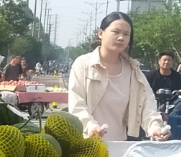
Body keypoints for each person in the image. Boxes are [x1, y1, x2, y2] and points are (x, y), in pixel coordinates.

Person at [68, 11, 169, 141]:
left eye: (126, 34)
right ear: (101, 33)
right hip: (86, 143)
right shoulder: (83, 64)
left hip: (119, 144)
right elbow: (77, 105)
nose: (121, 38)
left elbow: (146, 104)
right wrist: (91, 127)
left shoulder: (133, 70)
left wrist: (155, 128)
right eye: (116, 32)